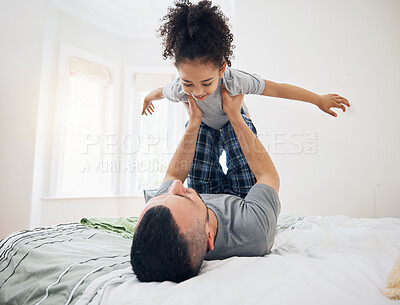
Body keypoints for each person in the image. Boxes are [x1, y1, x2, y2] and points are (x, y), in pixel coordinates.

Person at [141, 0, 350, 195]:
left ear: (222, 69)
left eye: (206, 83)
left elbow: (277, 89)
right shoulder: (179, 88)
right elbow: (160, 92)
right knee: (199, 179)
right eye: (188, 83)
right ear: (178, 72)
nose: (197, 92)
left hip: (234, 122)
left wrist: (318, 99)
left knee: (245, 177)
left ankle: (241, 200)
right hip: (204, 127)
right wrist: (147, 99)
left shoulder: (235, 81)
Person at [131, 87, 281, 282]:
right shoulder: (254, 232)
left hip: (205, 192)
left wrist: (193, 123)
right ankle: (238, 118)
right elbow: (268, 176)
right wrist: (235, 117)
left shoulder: (160, 212)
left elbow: (174, 174)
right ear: (208, 236)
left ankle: (203, 122)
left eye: (165, 195)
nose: (176, 185)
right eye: (182, 195)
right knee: (235, 129)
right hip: (244, 201)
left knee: (201, 130)